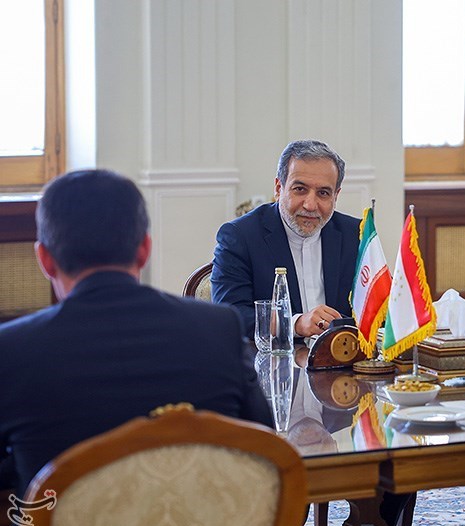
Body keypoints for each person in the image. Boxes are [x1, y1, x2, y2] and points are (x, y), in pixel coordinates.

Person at [0, 169, 273, 500]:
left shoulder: (12, 350)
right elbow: (265, 442)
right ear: (144, 249)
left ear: (44, 260)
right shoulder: (220, 328)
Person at [211, 139, 360, 341]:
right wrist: (295, 323)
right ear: (278, 188)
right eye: (300, 189)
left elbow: (378, 311)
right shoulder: (240, 236)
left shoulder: (356, 235)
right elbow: (231, 316)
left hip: (340, 356)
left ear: (336, 195)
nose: (310, 205)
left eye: (323, 193)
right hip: (272, 358)